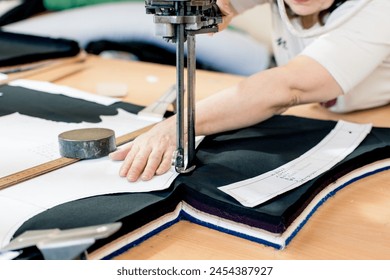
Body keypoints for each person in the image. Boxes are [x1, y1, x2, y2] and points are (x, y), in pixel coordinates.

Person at [109, 0, 390, 182]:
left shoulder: (378, 8)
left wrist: (175, 127)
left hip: (379, 119)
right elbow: (222, 7)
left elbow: (288, 87)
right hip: (324, 114)